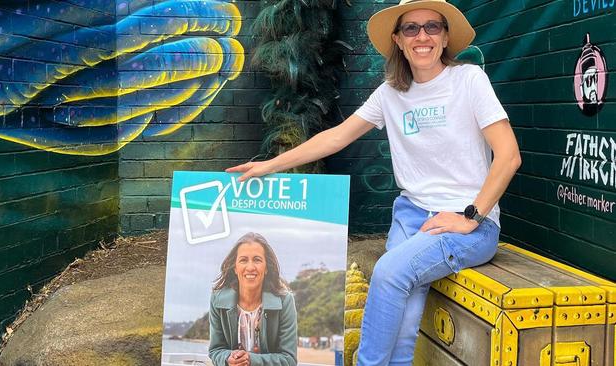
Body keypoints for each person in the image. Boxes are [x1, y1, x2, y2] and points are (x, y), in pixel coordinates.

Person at [227, 0, 521, 364]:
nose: (422, 36)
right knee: (407, 305)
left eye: (432, 27)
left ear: (445, 38)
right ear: (398, 39)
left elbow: (508, 155)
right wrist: (270, 165)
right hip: (412, 215)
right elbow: (335, 137)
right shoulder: (390, 93)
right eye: (411, 28)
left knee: (388, 273)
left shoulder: (469, 80)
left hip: (468, 224)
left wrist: (470, 216)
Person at [209, 232, 297, 366]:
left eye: (257, 260)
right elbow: (215, 350)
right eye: (243, 260)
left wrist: (251, 360)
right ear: (235, 268)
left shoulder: (285, 302)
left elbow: (289, 359)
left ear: (266, 267)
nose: (250, 267)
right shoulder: (217, 299)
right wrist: (228, 358)